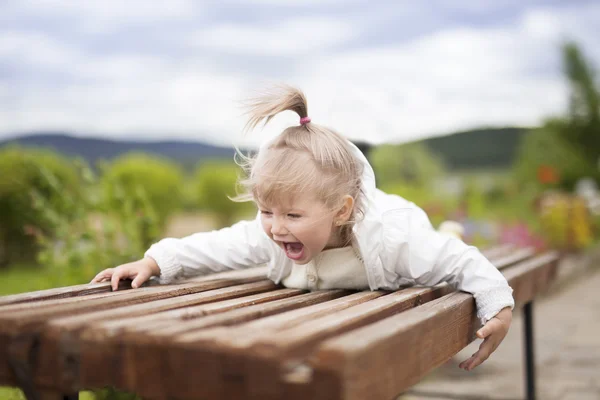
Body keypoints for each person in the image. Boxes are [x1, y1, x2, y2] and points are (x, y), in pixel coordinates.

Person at [91, 85, 514, 371]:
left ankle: (450, 228)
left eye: (292, 216)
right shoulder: (272, 232)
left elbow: (462, 263)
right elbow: (216, 247)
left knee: (444, 249)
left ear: (342, 210)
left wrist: (498, 306)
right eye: (266, 211)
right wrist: (154, 260)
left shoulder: (393, 240)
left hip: (413, 227)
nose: (276, 228)